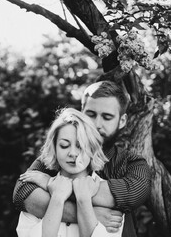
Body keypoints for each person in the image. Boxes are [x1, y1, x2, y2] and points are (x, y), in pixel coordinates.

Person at [13, 80, 151, 237]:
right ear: (81, 113)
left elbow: (133, 195)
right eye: (90, 114)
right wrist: (92, 213)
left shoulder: (132, 163)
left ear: (122, 121)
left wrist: (49, 184)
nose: (97, 124)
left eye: (107, 117)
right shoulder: (56, 159)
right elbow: (22, 192)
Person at [16, 107, 124, 237]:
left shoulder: (111, 200)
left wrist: (84, 199)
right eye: (64, 145)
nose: (73, 153)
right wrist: (57, 198)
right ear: (54, 148)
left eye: (80, 146)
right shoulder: (35, 193)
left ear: (92, 148)